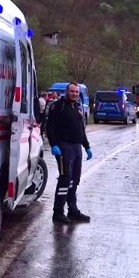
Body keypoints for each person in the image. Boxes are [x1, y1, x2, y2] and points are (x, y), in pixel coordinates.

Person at [45, 82, 92, 224]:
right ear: (66, 92)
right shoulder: (58, 106)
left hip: (77, 147)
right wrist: (54, 145)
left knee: (74, 180)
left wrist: (87, 146)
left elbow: (81, 130)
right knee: (65, 178)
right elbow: (50, 127)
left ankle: (73, 211)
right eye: (72, 91)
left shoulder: (77, 107)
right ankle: (58, 212)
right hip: (63, 146)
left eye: (77, 92)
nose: (75, 94)